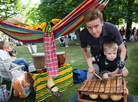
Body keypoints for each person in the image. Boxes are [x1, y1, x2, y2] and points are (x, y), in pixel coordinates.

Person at [79, 10, 127, 80]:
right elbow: (84, 49)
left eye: (96, 26)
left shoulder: (112, 29)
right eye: (89, 27)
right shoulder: (83, 34)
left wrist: (119, 66)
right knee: (92, 77)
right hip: (97, 59)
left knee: (115, 81)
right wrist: (90, 66)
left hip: (113, 59)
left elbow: (122, 49)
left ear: (102, 22)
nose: (94, 31)